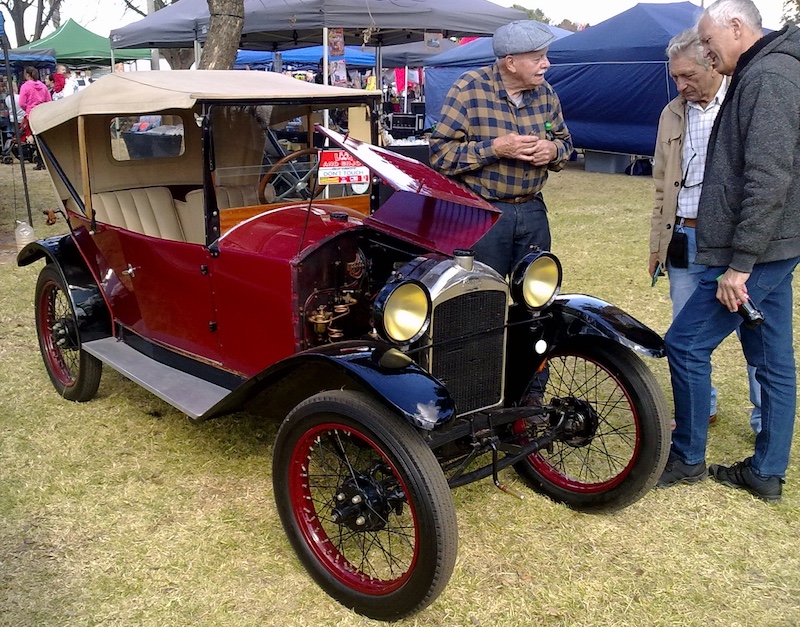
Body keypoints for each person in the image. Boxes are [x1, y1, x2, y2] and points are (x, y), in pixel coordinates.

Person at [657, 0, 800, 502]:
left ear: (736, 27)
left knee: (686, 343)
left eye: (709, 40)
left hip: (759, 254)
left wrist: (740, 265)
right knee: (773, 357)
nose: (708, 50)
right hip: (773, 250)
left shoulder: (768, 78)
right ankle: (765, 472)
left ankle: (687, 457)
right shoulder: (764, 71)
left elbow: (769, 178)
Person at [649, 28, 761, 432]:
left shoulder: (742, 101)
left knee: (754, 331)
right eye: (674, 77)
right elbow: (663, 183)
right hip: (683, 236)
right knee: (685, 331)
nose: (680, 85)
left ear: (711, 63)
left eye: (688, 75)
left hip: (731, 241)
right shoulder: (671, 113)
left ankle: (764, 417)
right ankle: (700, 409)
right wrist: (657, 244)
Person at [429, 20, 573, 278]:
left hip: (533, 213)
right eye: (538, 58)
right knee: (483, 299)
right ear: (510, 63)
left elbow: (565, 143)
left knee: (535, 298)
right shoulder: (468, 89)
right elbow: (441, 154)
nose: (546, 64)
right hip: (483, 215)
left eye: (546, 56)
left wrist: (552, 150)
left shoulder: (546, 94)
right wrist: (495, 148)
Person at [17, 67, 51, 170]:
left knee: (35, 138)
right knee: (43, 138)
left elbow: (22, 102)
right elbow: (49, 100)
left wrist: (27, 109)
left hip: (31, 113)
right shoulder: (43, 86)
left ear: (27, 75)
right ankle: (45, 161)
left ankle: (40, 162)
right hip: (42, 112)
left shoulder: (25, 86)